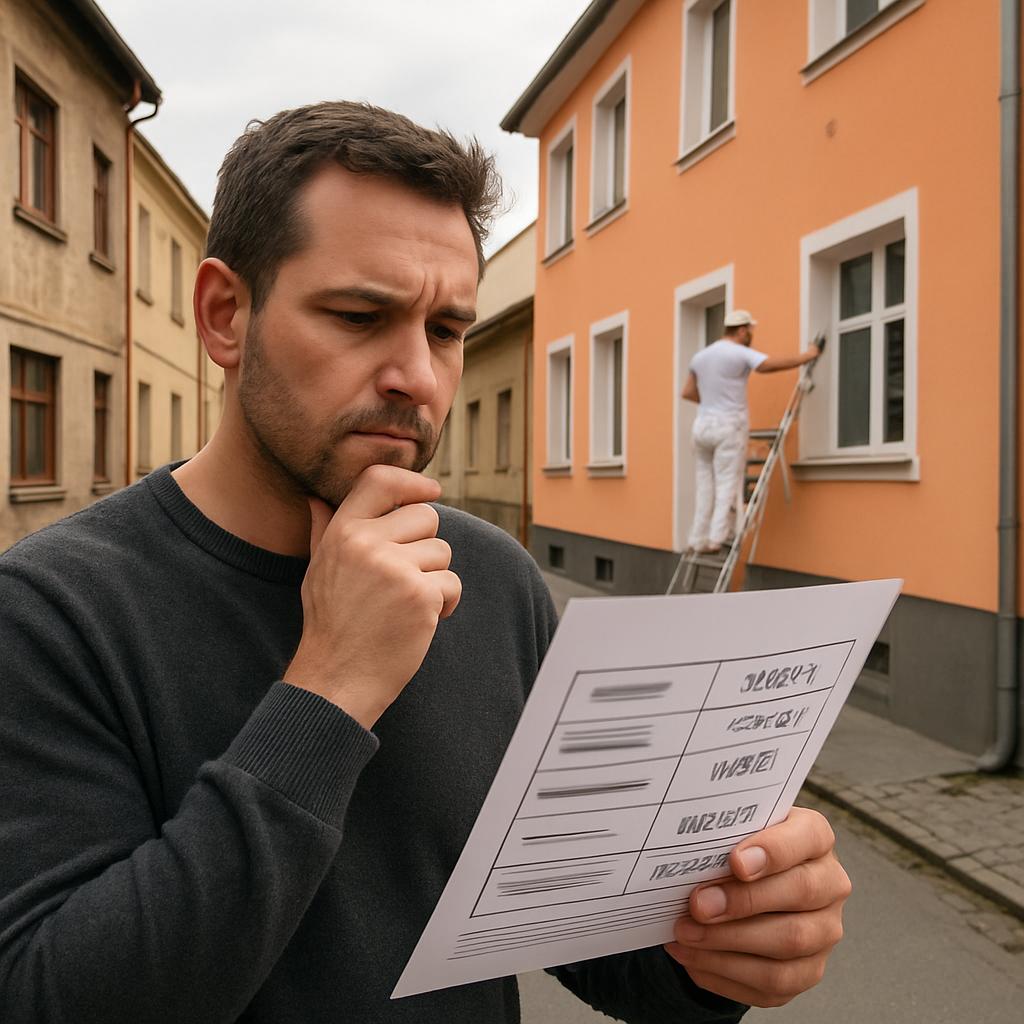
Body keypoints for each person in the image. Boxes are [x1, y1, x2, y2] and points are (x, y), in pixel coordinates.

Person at [0, 102, 849, 1023]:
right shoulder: (51, 610)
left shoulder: (493, 578)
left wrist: (722, 941)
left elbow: (582, 942)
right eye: (361, 315)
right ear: (224, 314)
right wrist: (331, 686)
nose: (417, 375)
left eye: (446, 330)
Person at [682, 310, 823, 554]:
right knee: (727, 482)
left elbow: (688, 392)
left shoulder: (700, 356)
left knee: (705, 484)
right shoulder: (739, 352)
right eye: (750, 331)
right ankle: (717, 539)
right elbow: (767, 365)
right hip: (728, 425)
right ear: (742, 330)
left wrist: (713, 401)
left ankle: (697, 539)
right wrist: (807, 356)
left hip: (702, 426)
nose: (751, 336)